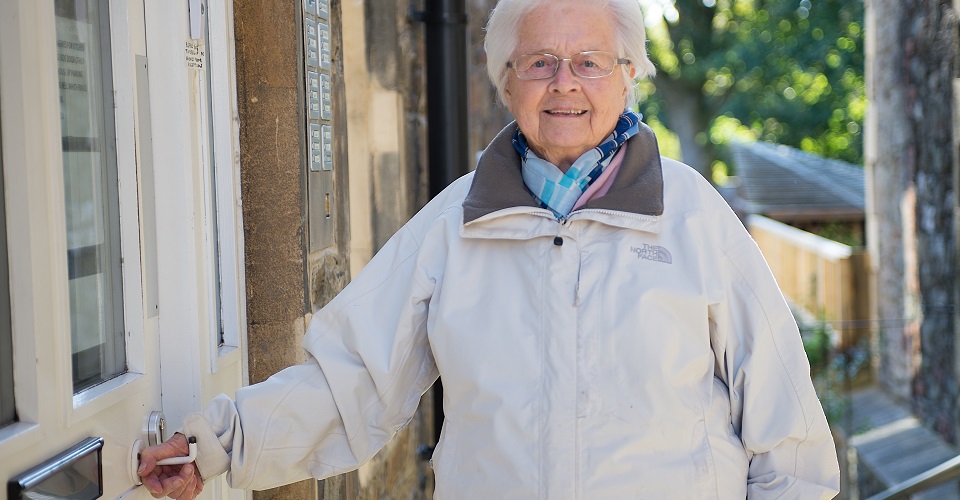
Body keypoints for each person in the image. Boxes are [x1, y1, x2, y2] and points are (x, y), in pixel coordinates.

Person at [138, 0, 842, 498]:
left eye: (589, 61)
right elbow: (349, 382)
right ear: (506, 81)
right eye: (539, 62)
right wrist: (219, 445)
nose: (564, 82)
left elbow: (786, 428)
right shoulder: (454, 224)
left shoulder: (693, 218)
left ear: (630, 75)